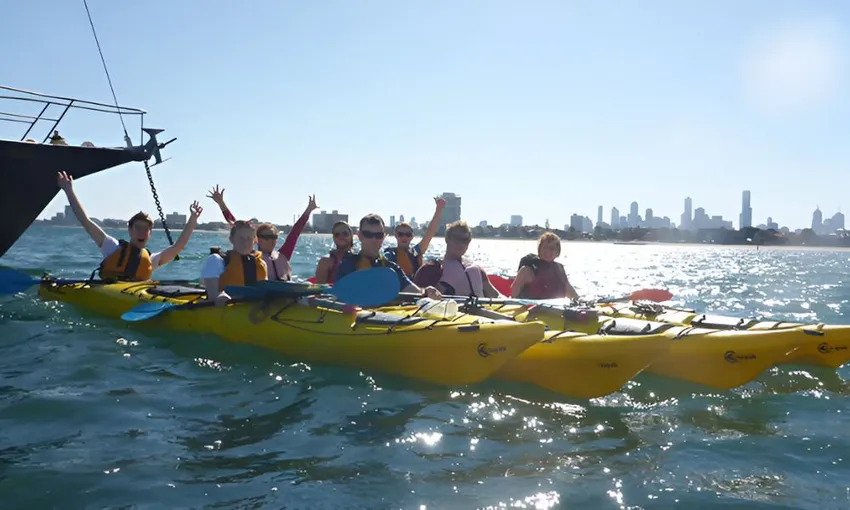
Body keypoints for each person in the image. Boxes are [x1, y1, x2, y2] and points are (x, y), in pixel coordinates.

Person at [57, 170, 202, 281]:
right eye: (138, 228)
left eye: (146, 230)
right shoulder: (112, 247)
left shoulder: (152, 260)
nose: (142, 233)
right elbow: (86, 222)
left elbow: (178, 247)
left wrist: (193, 218)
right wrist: (69, 191)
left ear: (150, 233)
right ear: (130, 231)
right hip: (109, 291)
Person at [206, 185, 318, 281]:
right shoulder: (253, 257)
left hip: (286, 297)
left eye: (274, 237)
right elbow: (237, 225)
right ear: (256, 239)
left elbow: (295, 233)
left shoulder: (284, 255)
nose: (271, 240)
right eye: (266, 237)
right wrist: (221, 203)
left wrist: (308, 210)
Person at [335, 214, 441, 298]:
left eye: (378, 236)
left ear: (383, 237)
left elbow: (415, 291)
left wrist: (426, 291)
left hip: (388, 319)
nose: (374, 240)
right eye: (368, 235)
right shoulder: (347, 266)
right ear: (360, 236)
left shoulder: (392, 268)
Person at [413, 220, 503, 298]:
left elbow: (496, 295)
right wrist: (426, 292)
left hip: (480, 313)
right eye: (457, 238)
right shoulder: (429, 269)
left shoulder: (477, 270)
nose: (461, 244)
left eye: (465, 240)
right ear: (447, 239)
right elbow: (413, 295)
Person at [200, 220, 268, 306]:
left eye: (249, 238)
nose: (245, 242)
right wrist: (221, 296)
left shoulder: (262, 264)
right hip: (225, 310)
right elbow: (213, 296)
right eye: (241, 238)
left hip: (253, 312)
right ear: (231, 239)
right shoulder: (215, 260)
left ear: (255, 241)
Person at [383, 197, 445, 277]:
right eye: (401, 234)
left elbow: (429, 234)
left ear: (412, 237)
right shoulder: (391, 254)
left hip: (414, 287)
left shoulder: (415, 252)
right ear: (396, 235)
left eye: (408, 234)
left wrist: (439, 209)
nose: (404, 237)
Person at [511, 232, 579, 300]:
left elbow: (573, 295)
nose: (548, 251)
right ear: (539, 250)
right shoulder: (527, 270)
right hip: (529, 308)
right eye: (545, 247)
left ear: (557, 253)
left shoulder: (559, 271)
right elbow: (513, 297)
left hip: (554, 308)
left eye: (552, 248)